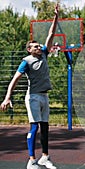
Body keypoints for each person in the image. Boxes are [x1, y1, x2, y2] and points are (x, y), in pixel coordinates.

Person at [0, 3, 59, 169]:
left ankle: (44, 158)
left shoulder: (44, 54)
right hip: (33, 96)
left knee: (46, 127)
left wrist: (55, 17)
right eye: (35, 46)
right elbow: (15, 79)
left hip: (44, 96)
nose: (39, 46)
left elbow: (51, 33)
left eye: (39, 45)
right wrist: (7, 97)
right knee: (35, 126)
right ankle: (31, 160)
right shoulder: (26, 62)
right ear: (29, 49)